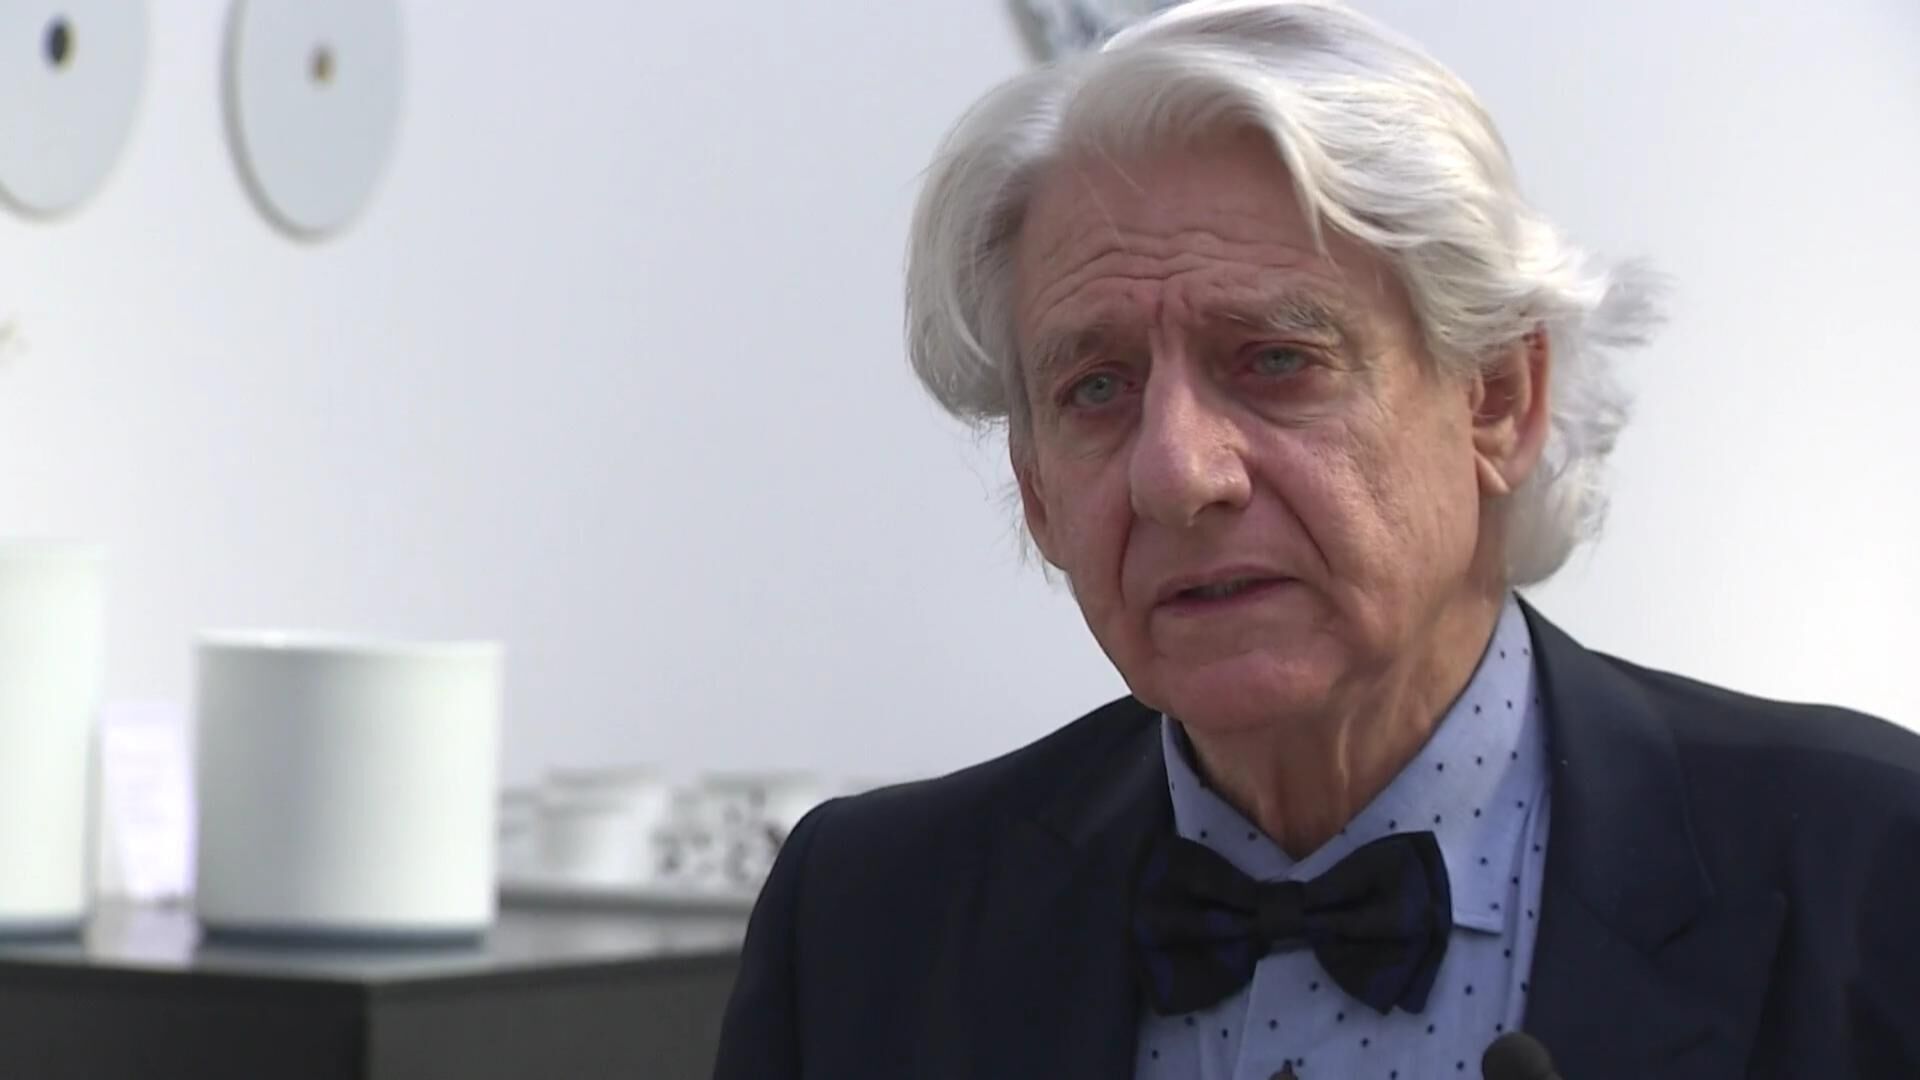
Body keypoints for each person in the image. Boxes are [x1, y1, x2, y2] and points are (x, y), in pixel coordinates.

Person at [713, 1, 1920, 1076]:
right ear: (1035, 488)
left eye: (1277, 361)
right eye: (1097, 388)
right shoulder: (868, 921)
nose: (1179, 473)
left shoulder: (1873, 872)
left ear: (1498, 402)